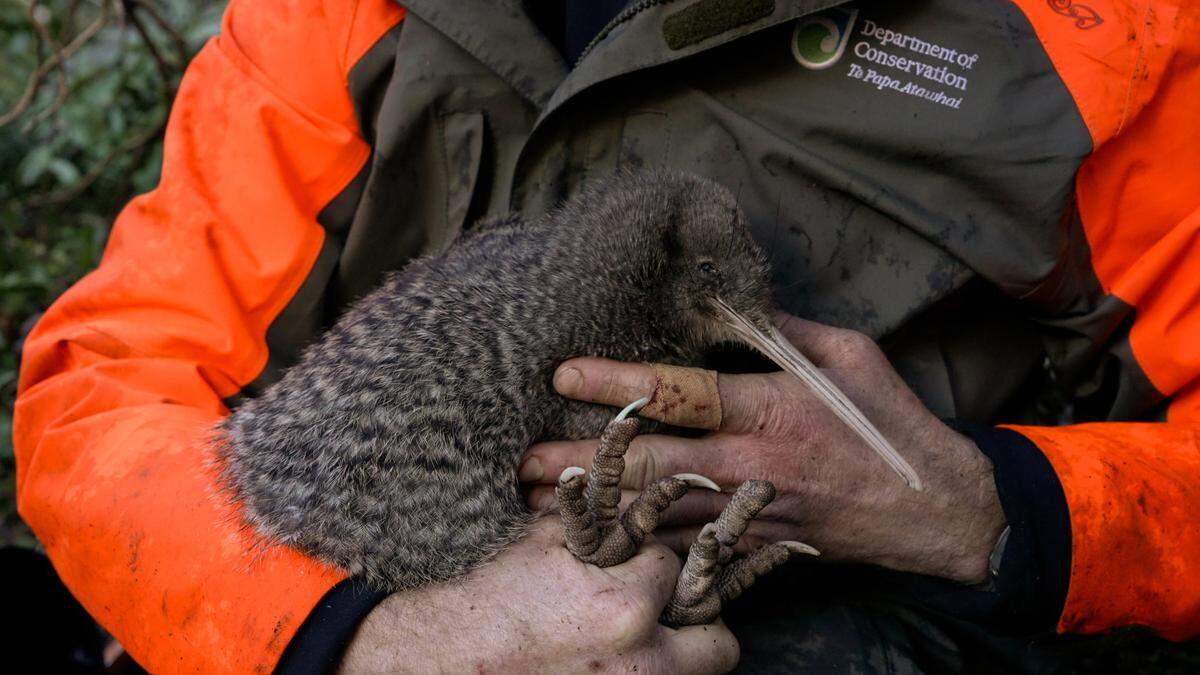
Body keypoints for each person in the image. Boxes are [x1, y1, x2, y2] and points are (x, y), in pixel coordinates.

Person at [12, 0, 1199, 671]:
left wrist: (988, 508)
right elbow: (109, 384)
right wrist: (362, 641)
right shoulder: (340, 17)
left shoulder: (1091, 39)